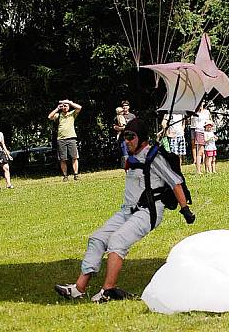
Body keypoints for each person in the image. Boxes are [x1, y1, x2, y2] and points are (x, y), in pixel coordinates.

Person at [55, 118, 195, 302]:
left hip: (148, 212)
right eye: (124, 137)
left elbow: (175, 182)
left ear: (142, 138)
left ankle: (108, 290)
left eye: (131, 137)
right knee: (97, 238)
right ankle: (78, 288)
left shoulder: (154, 157)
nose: (126, 141)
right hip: (127, 211)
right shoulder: (133, 157)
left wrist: (185, 209)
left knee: (117, 240)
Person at [49, 99, 82, 181]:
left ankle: (76, 174)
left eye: (66, 106)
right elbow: (49, 117)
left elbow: (79, 107)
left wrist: (70, 102)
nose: (64, 107)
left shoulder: (72, 114)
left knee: (74, 157)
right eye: (63, 106)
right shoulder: (59, 115)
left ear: (69, 107)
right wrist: (57, 108)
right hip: (61, 139)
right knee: (63, 159)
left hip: (71, 138)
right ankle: (65, 176)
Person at [189, 100, 211, 175]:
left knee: (206, 151)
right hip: (199, 132)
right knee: (200, 151)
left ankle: (207, 169)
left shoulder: (207, 112)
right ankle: (198, 170)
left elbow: (209, 121)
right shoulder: (195, 113)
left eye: (201, 102)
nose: (200, 104)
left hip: (206, 132)